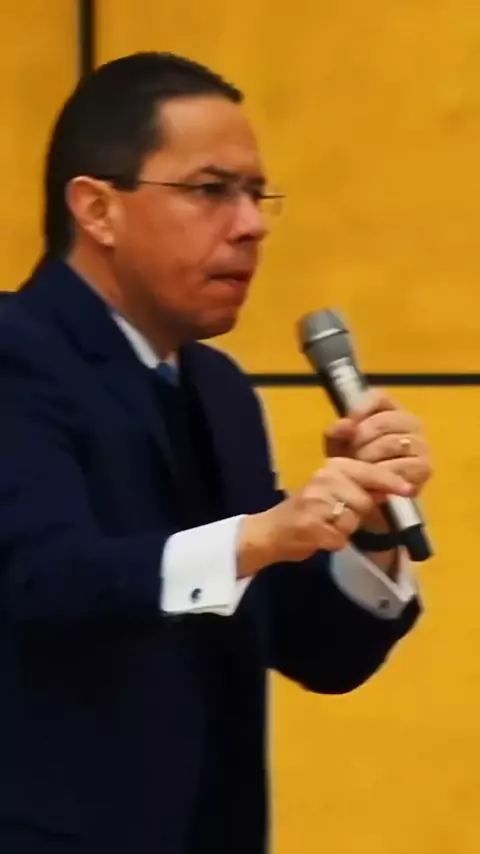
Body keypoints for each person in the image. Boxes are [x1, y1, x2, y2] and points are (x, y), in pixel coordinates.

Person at [0, 52, 431, 854]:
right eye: (210, 191)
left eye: (255, 195)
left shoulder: (219, 390)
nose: (251, 224)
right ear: (97, 209)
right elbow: (43, 580)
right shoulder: (16, 355)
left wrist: (368, 531)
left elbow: (318, 652)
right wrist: (258, 538)